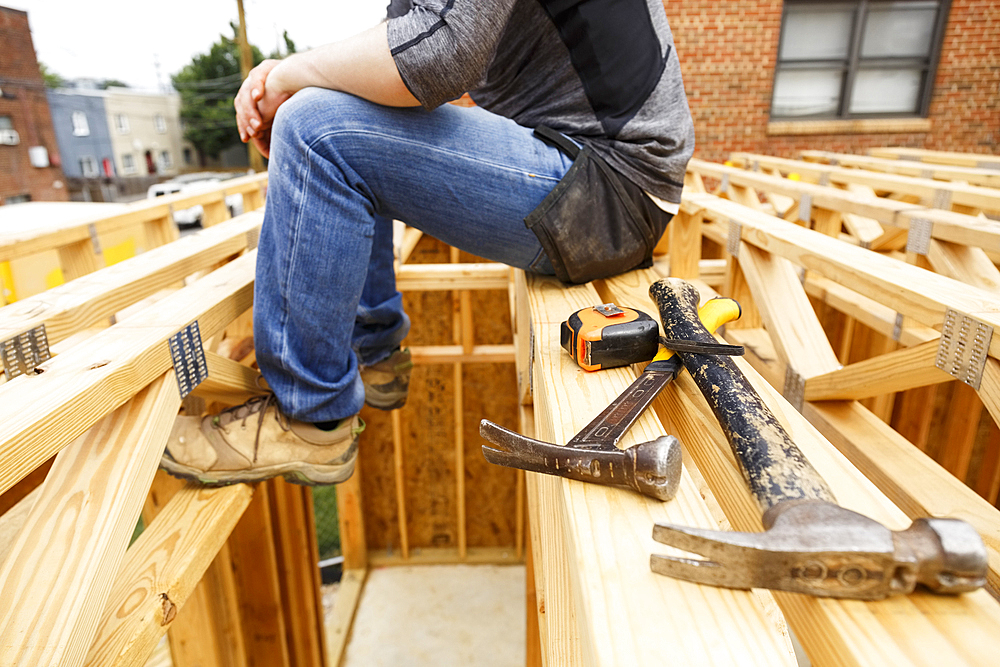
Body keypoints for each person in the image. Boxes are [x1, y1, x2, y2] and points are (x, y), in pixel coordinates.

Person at [160, 0, 695, 486]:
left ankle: (311, 418)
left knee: (315, 129)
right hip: (594, 175)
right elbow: (403, 38)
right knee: (330, 107)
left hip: (610, 189)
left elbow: (439, 54)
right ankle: (373, 356)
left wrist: (288, 76)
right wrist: (290, 76)